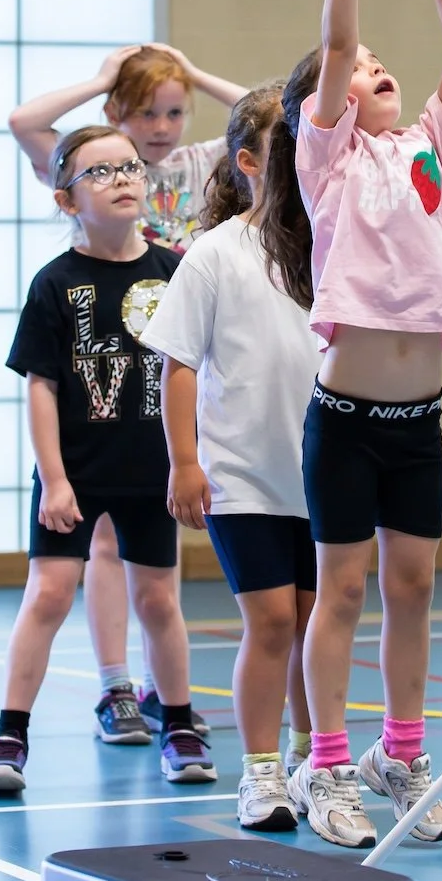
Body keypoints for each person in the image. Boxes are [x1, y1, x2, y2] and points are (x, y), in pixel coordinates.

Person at [259, 0, 442, 849]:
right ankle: (331, 766)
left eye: (381, 61)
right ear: (327, 109)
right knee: (341, 589)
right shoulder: (330, 161)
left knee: (415, 587)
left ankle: (401, 751)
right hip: (346, 424)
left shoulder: (429, 142)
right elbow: (338, 37)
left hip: (417, 424)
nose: (371, 65)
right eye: (357, 69)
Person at [8, 42, 246, 740]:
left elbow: (271, 119)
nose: (164, 125)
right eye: (147, 112)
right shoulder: (88, 161)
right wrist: (102, 80)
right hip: (101, 377)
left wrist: (195, 68)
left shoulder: (196, 166)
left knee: (155, 568)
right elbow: (24, 121)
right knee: (102, 550)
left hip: (165, 378)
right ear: (117, 114)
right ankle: (116, 686)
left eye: (176, 111)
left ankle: (157, 692)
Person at [0, 125, 216, 792]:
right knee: (50, 593)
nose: (121, 179)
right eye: (99, 172)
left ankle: (178, 723)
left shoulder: (175, 270)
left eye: (129, 167)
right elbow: (41, 385)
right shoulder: (55, 283)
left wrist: (188, 460)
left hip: (152, 472)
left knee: (159, 601)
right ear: (65, 200)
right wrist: (53, 479)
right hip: (75, 474)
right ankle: (9, 735)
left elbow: (193, 375)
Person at [147, 85, 320, 832]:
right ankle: (261, 772)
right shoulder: (216, 253)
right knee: (273, 622)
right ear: (248, 162)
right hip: (242, 475)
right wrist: (185, 462)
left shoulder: (331, 244)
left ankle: (318, 755)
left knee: (317, 622)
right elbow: (178, 364)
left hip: (321, 477)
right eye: (289, 147)